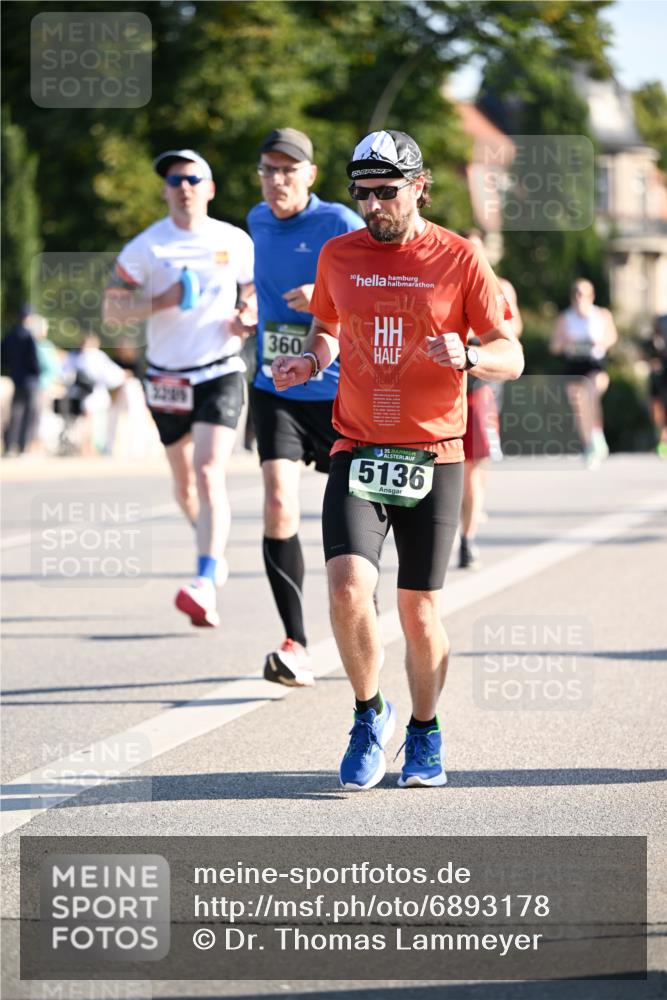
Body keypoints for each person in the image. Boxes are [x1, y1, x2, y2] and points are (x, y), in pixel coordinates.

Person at [272, 129, 523, 789]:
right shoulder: (338, 254)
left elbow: (512, 353)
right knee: (346, 588)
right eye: (362, 193)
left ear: (419, 186)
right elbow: (327, 328)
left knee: (418, 610)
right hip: (357, 444)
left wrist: (471, 355)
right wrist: (310, 362)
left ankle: (425, 729)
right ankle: (367, 714)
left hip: (434, 454)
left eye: (386, 191)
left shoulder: (460, 257)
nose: (374, 205)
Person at [103, 149, 256, 627]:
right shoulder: (146, 247)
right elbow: (112, 312)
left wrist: (247, 313)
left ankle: (204, 580)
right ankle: (209, 547)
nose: (183, 187)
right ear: (166, 191)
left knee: (208, 471)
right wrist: (163, 300)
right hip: (167, 378)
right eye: (174, 180)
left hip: (219, 370)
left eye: (192, 179)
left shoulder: (234, 240)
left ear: (210, 188)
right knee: (184, 484)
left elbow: (253, 290)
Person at [248, 127, 364, 686]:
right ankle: (296, 643)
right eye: (268, 170)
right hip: (276, 387)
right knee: (277, 501)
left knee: (355, 519)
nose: (277, 181)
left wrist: (322, 297)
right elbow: (252, 281)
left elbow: (372, 286)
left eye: (288, 170)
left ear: (310, 175)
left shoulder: (338, 222)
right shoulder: (256, 221)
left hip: (338, 391)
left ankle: (360, 618)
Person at [459, 232, 523, 568]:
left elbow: (514, 333)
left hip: (482, 386)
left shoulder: (502, 287)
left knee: (475, 467)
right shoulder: (447, 281)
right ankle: (463, 520)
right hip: (448, 387)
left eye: (477, 249)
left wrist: (479, 334)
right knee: (460, 470)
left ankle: (467, 538)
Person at [550, 278, 618, 468]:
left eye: (585, 294)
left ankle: (597, 434)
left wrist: (600, 342)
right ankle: (589, 445)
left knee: (592, 394)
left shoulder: (601, 314)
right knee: (579, 405)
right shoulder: (565, 318)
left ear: (592, 296)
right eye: (577, 294)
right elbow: (554, 347)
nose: (581, 298)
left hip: (595, 363)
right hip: (574, 364)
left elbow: (612, 336)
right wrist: (566, 341)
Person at [2, 305, 41, 455]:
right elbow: (33, 359)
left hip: (16, 378)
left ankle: (9, 446)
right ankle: (23, 446)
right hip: (30, 380)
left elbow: (3, 356)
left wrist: (12, 369)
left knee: (15, 413)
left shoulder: (11, 335)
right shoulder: (29, 336)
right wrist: (37, 372)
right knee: (29, 415)